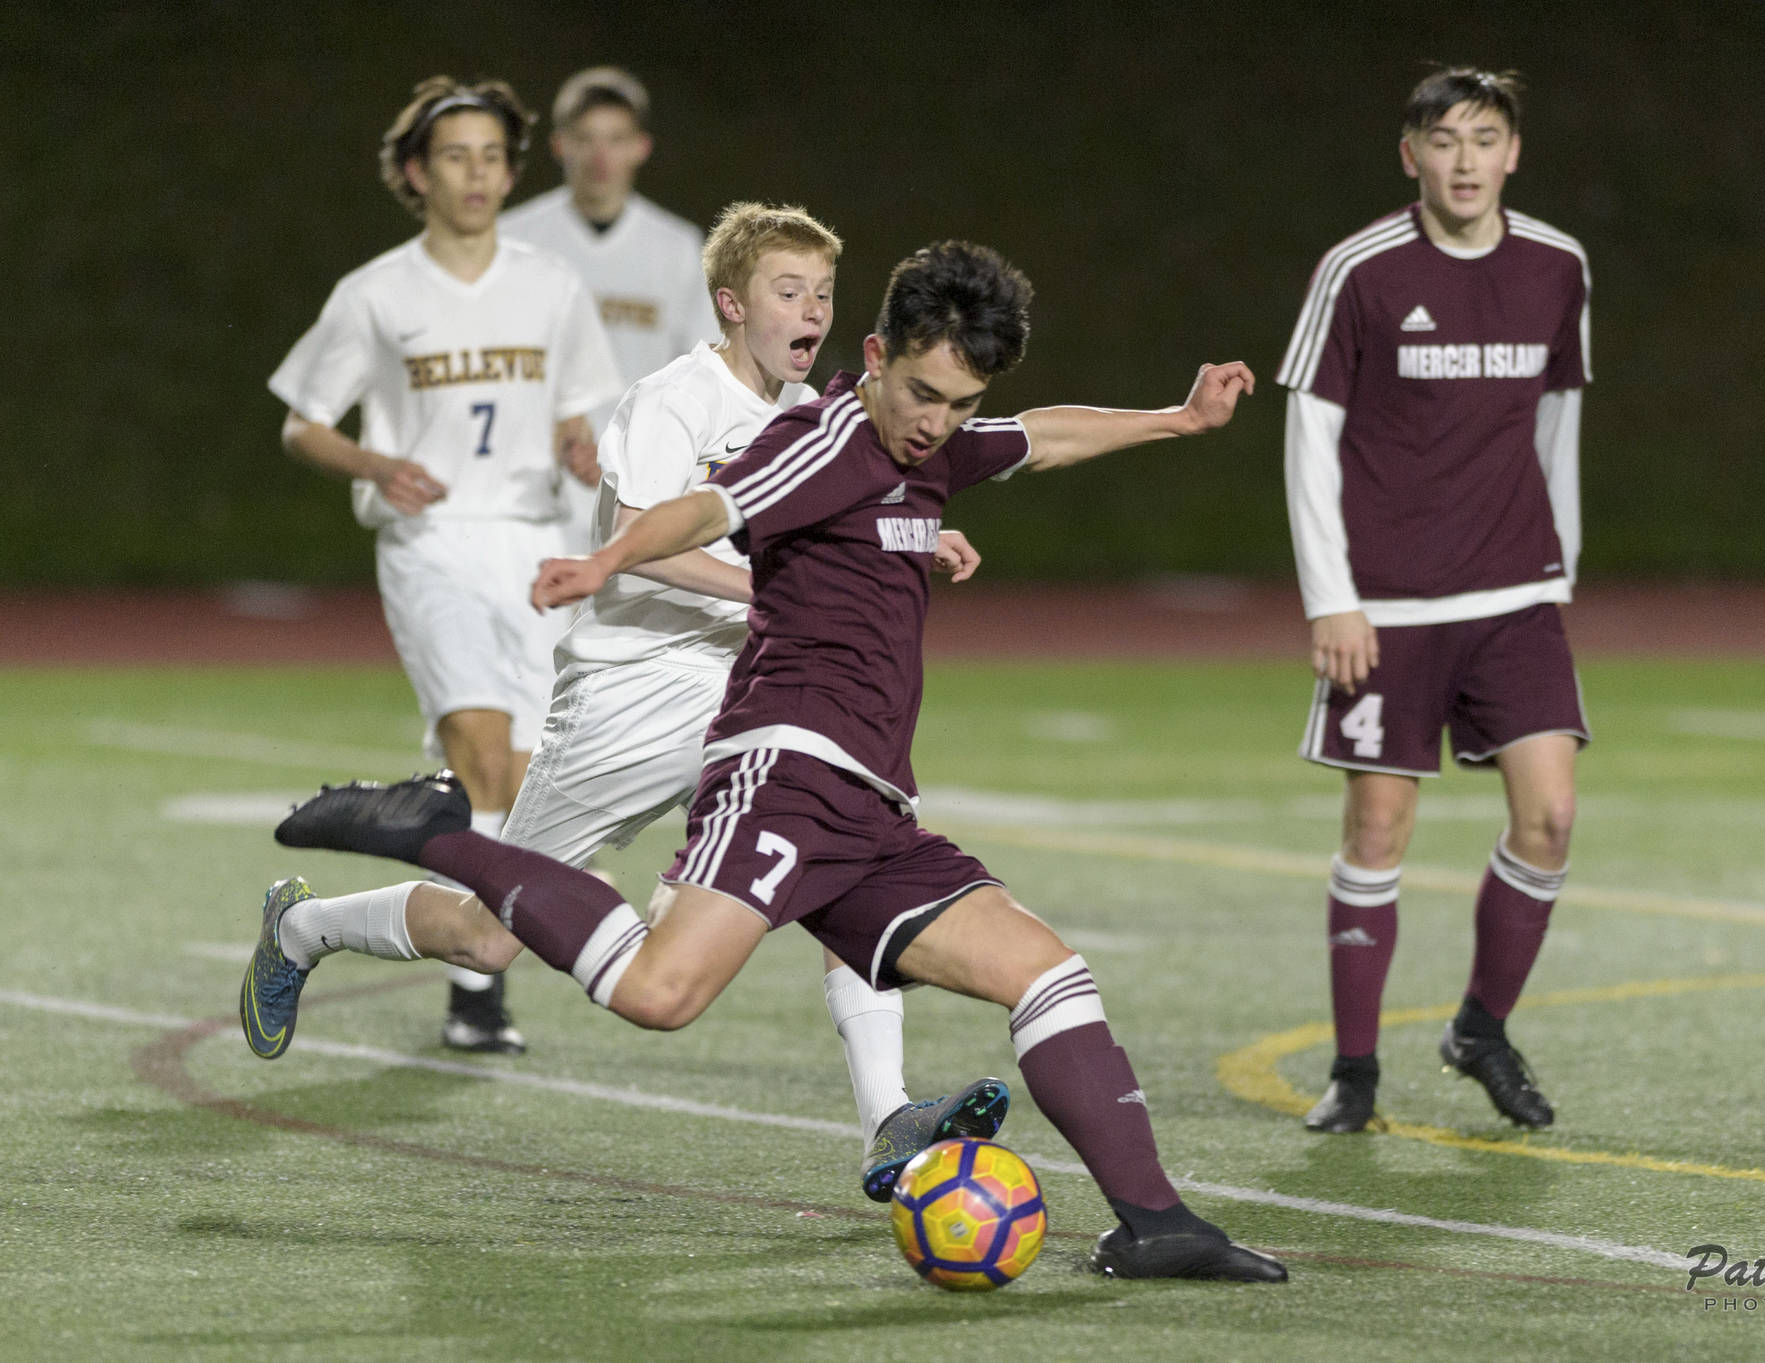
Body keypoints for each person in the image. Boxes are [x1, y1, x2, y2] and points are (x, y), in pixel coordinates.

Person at [253, 241, 1286, 1281]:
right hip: (784, 769)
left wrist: (1176, 418)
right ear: (875, 354)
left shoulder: (932, 444)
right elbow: (711, 508)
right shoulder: (826, 435)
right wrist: (606, 559)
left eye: (959, 404)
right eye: (921, 391)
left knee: (1048, 976)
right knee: (659, 992)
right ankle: (433, 831)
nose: (936, 421)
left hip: (871, 813)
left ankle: (1153, 1222)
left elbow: (1042, 436)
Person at [252, 201, 1007, 1200]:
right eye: (789, 290)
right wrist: (774, 586)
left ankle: (884, 1118)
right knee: (489, 932)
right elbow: (644, 542)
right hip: (633, 690)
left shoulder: (834, 414)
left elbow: (868, 514)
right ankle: (304, 929)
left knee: (843, 857)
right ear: (733, 304)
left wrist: (911, 542)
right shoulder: (670, 401)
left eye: (824, 292)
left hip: (758, 697)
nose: (811, 309)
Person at [267, 77, 621, 1056]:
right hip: (430, 542)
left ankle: (464, 967)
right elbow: (303, 425)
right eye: (455, 156)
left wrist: (580, 450)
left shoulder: (550, 285)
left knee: (525, 778)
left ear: (512, 172)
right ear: (418, 172)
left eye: (492, 157)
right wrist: (375, 461)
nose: (476, 174)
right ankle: (478, 993)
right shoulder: (376, 293)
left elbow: (576, 413)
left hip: (533, 540)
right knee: (480, 747)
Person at [1277, 67, 1591, 1134]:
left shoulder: (1557, 267)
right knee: (1377, 827)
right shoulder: (1358, 270)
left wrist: (1563, 561)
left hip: (1513, 592)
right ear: (1408, 155)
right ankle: (1354, 1071)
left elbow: (1555, 420)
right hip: (1387, 604)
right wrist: (1332, 596)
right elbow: (1309, 434)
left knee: (1547, 815)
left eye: (1484, 138)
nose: (1464, 160)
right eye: (1442, 140)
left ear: (1513, 152)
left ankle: (1479, 1028)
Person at [500, 67, 723, 552]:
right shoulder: (515, 239)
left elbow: (705, 366)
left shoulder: (676, 246)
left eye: (616, 139)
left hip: (642, 484)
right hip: (536, 485)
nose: (601, 157)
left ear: (641, 146)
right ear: (560, 145)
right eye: (586, 139)